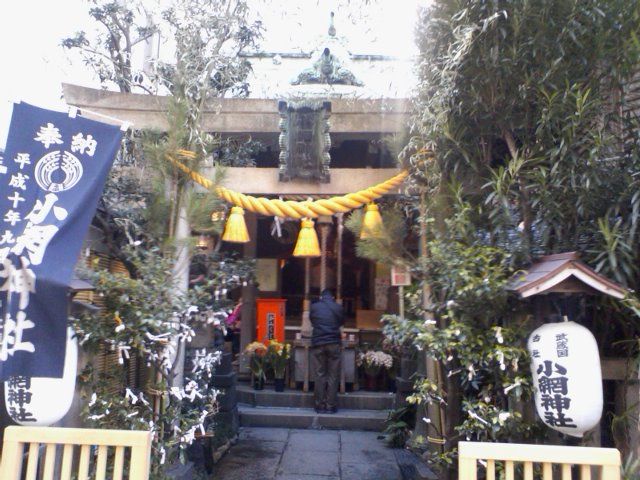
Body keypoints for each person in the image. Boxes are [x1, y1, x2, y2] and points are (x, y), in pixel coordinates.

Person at [310, 288, 344, 414]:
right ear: (333, 298)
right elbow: (341, 322)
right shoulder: (338, 307)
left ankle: (319, 405)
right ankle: (330, 406)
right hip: (334, 343)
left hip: (318, 343)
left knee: (319, 374)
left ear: (321, 297)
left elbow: (313, 321)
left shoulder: (314, 307)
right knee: (333, 375)